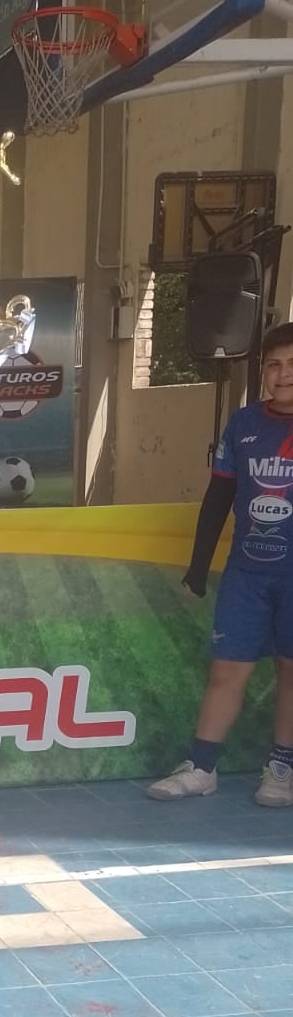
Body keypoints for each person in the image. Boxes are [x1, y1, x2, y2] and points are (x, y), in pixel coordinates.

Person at [149, 323, 293, 806]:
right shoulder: (244, 424)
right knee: (227, 671)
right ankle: (202, 767)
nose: (283, 374)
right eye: (274, 364)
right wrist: (197, 566)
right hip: (247, 574)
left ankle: (282, 770)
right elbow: (219, 496)